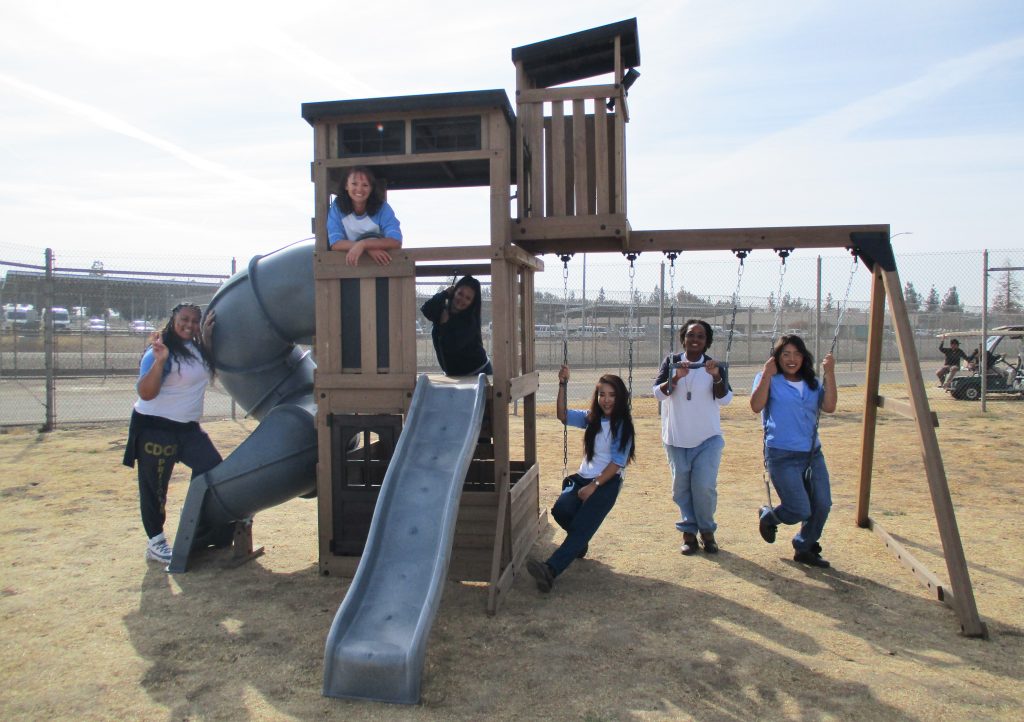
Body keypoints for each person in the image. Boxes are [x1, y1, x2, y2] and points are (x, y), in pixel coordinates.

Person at [122, 303, 221, 565]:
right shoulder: (159, 350)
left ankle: (196, 526)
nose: (188, 325)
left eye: (194, 321)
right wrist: (160, 361)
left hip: (187, 428)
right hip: (156, 427)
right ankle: (155, 542)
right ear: (173, 319)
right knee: (155, 487)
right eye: (184, 319)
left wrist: (208, 339)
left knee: (212, 467)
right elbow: (145, 393)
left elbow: (204, 369)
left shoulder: (197, 349)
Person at [526, 366, 636, 593]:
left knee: (583, 526)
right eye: (602, 394)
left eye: (612, 395)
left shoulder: (622, 425)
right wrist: (562, 384)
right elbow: (563, 415)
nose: (606, 400)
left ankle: (550, 569)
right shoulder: (591, 418)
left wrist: (594, 486)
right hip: (582, 477)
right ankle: (579, 543)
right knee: (561, 510)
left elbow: (617, 463)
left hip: (606, 482)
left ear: (620, 397)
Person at [750, 334, 838, 568]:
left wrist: (829, 372)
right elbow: (756, 406)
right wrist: (767, 374)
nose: (792, 359)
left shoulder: (812, 382)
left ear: (804, 357)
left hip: (811, 454)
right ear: (777, 357)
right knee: (799, 508)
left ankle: (805, 546)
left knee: (822, 504)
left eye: (797, 354)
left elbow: (829, 406)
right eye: (786, 354)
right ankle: (769, 516)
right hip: (781, 454)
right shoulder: (768, 378)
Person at [652, 320, 732, 555]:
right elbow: (657, 394)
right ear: (683, 338)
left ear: (707, 341)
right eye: (690, 335)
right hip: (676, 439)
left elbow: (725, 399)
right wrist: (675, 378)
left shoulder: (714, 366)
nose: (695, 339)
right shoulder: (671, 362)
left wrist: (716, 376)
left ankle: (707, 532)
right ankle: (689, 533)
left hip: (708, 438)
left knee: (704, 487)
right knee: (681, 489)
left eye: (700, 336)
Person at [328, 165, 402, 266]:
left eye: (365, 185)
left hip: (383, 267)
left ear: (371, 188)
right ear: (346, 185)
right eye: (354, 184)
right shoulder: (337, 207)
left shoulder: (382, 208)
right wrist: (366, 248)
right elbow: (335, 243)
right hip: (350, 269)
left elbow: (396, 241)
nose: (359, 189)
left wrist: (364, 244)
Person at [420, 275, 492, 376]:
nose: (462, 299)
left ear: (472, 302)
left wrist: (444, 325)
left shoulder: (470, 322)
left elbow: (451, 346)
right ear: (454, 292)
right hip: (455, 375)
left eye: (468, 298)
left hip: (478, 372)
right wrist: (445, 293)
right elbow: (426, 309)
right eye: (460, 293)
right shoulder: (442, 310)